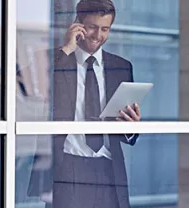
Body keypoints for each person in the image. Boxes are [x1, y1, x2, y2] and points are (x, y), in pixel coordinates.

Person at [27, 0, 141, 207]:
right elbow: (29, 88)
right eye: (92, 27)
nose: (98, 36)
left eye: (105, 29)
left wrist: (130, 127)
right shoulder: (53, 59)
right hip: (67, 168)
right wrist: (66, 49)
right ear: (78, 24)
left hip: (109, 170)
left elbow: (127, 135)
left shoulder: (122, 67)